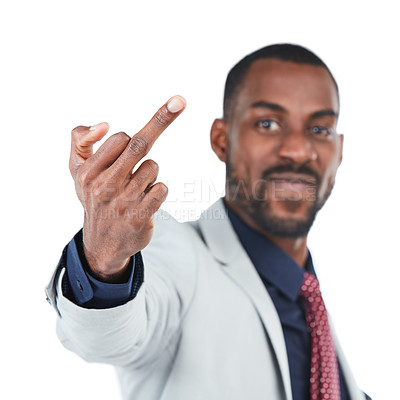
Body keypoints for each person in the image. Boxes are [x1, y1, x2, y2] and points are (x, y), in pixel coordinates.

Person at [46, 44, 370, 400]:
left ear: (339, 150)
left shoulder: (310, 299)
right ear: (221, 140)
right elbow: (105, 339)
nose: (297, 149)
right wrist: (105, 261)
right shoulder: (179, 256)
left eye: (320, 129)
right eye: (268, 123)